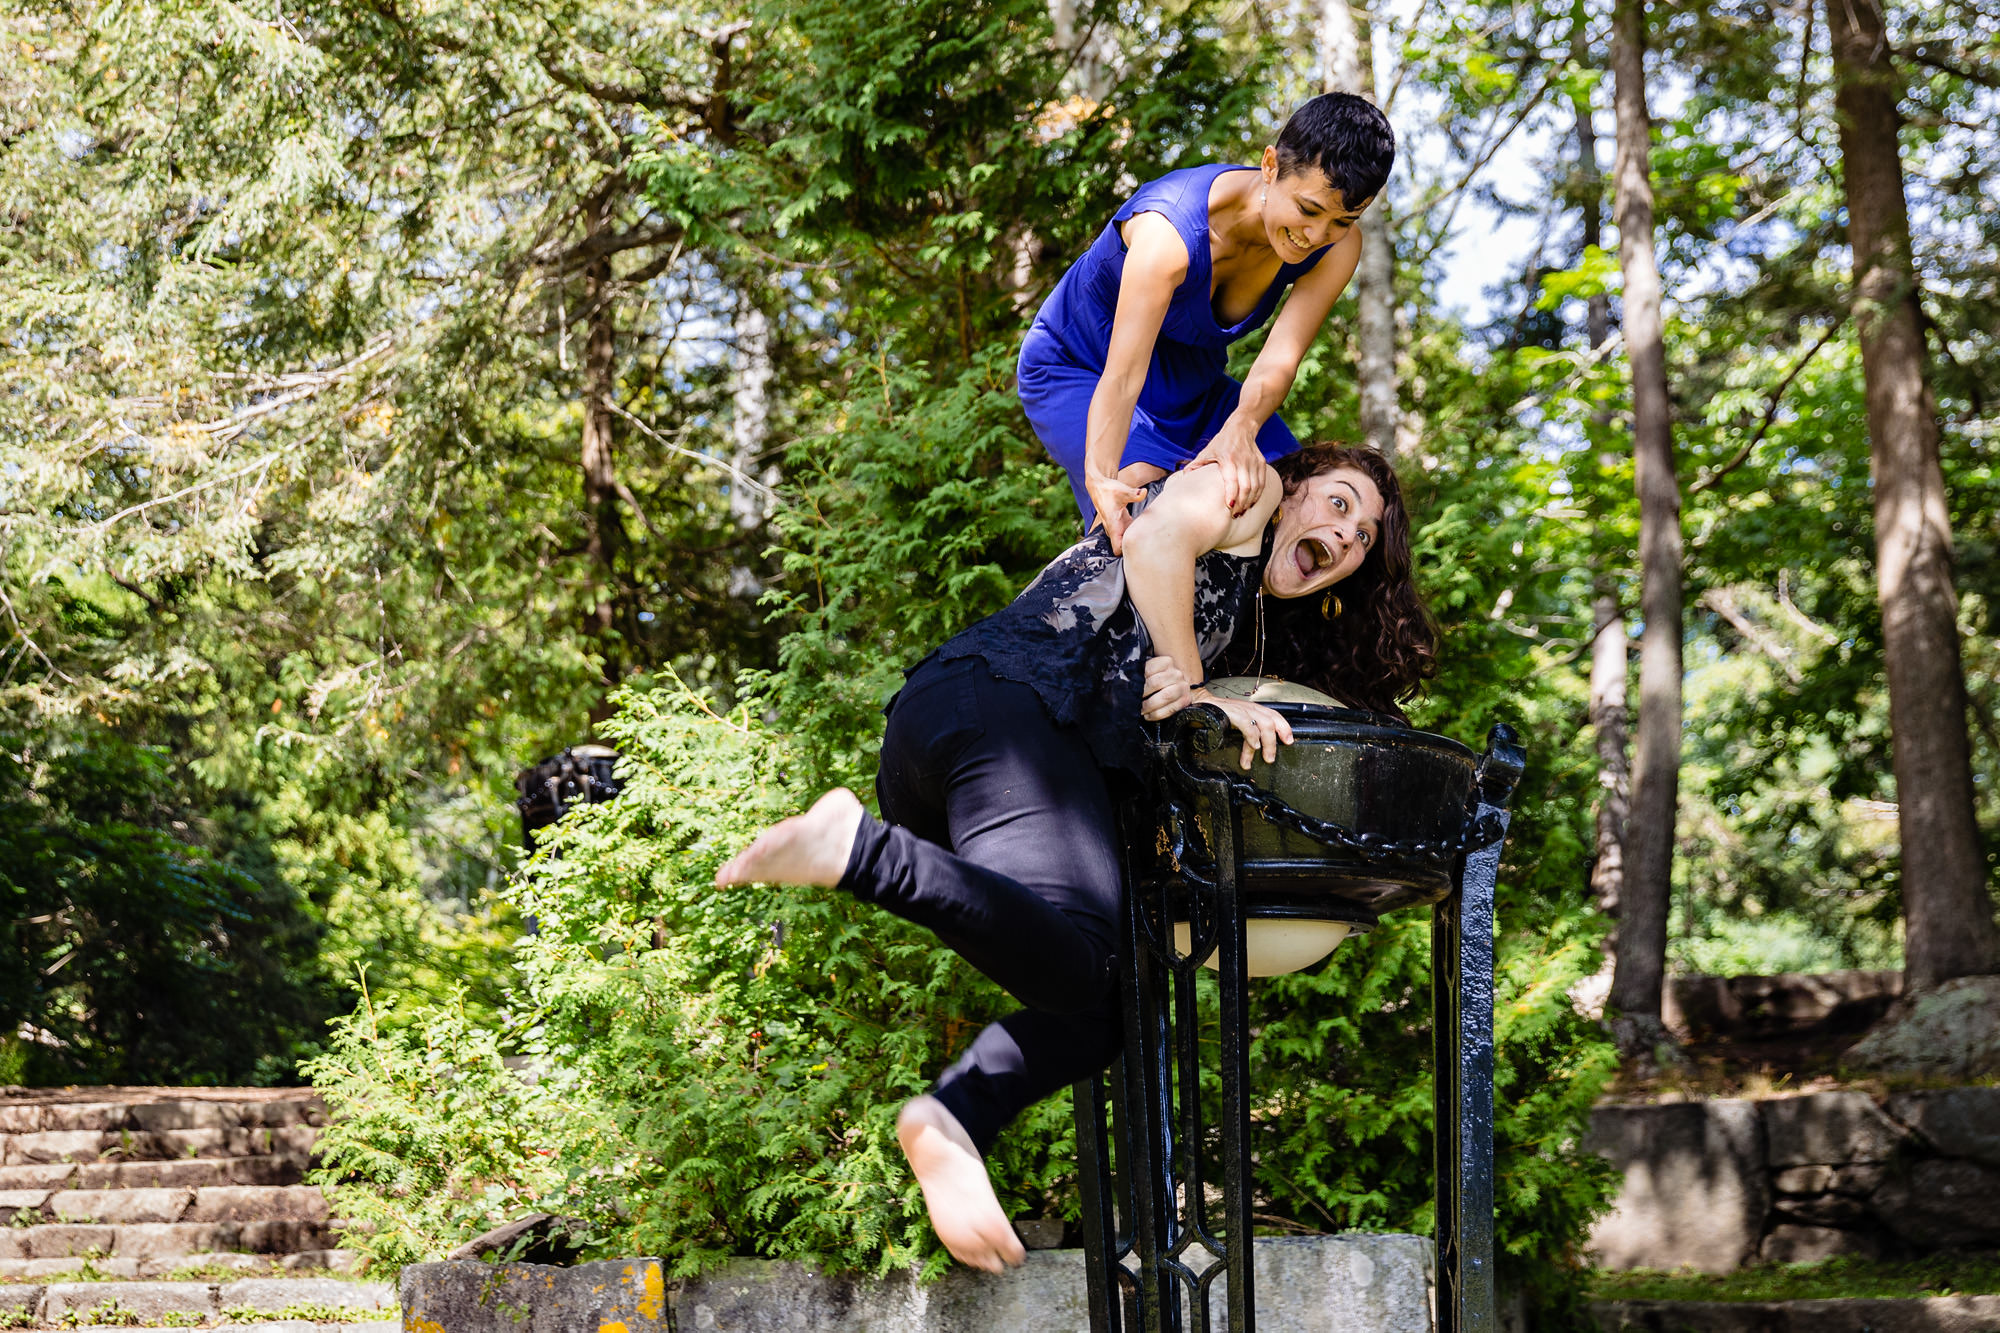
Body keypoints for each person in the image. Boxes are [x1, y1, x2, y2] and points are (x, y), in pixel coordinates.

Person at [714, 445, 1435, 1274]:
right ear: (1297, 485)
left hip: (960, 748)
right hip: (1007, 709)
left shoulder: (1241, 612)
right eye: (1339, 504)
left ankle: (954, 1115)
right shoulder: (1250, 482)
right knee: (1091, 965)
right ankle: (863, 855)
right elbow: (1157, 541)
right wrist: (1197, 691)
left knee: (1102, 1007)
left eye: (1365, 537)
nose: (1345, 536)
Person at [1017, 94, 1396, 553]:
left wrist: (1241, 427)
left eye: (1343, 220)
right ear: (1271, 165)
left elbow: (1281, 357)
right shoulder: (1167, 234)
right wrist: (1103, 479)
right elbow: (1122, 378)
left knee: (1299, 494)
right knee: (1143, 502)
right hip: (1083, 369)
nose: (1317, 236)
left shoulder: (1337, 248)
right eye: (1309, 210)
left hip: (1195, 390)